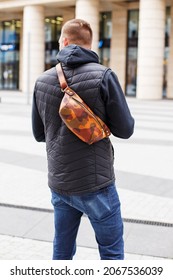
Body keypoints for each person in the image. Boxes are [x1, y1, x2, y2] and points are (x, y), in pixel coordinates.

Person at [32, 18, 134, 260]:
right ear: (89, 45)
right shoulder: (104, 75)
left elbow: (39, 134)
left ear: (65, 41)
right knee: (111, 253)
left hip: (60, 183)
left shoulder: (42, 80)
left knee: (62, 250)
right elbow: (125, 129)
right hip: (96, 184)